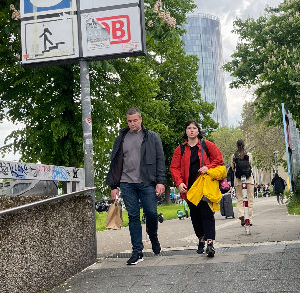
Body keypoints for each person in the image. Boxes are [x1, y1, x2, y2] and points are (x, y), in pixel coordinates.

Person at [106, 107, 165, 265]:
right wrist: (114, 186)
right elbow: (115, 163)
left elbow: (160, 160)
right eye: (129, 121)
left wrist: (160, 181)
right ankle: (137, 251)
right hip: (127, 183)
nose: (132, 123)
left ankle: (153, 237)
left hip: (147, 182)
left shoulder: (152, 137)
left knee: (151, 213)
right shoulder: (121, 138)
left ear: (140, 119)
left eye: (135, 120)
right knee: (133, 216)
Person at [170, 120, 224, 257]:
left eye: (194, 128)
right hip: (189, 188)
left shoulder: (207, 145)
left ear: (198, 131)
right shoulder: (180, 149)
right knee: (195, 215)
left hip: (204, 186)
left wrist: (208, 167)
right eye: (189, 128)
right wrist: (179, 183)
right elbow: (174, 168)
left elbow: (219, 159)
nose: (192, 130)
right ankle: (201, 238)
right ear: (186, 131)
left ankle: (210, 243)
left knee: (207, 213)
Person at [232, 139, 254, 226]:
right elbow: (250, 164)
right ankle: (249, 219)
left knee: (240, 199)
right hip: (248, 179)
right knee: (250, 199)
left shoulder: (234, 155)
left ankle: (241, 214)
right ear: (244, 145)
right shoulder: (248, 154)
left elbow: (233, 167)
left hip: (238, 180)